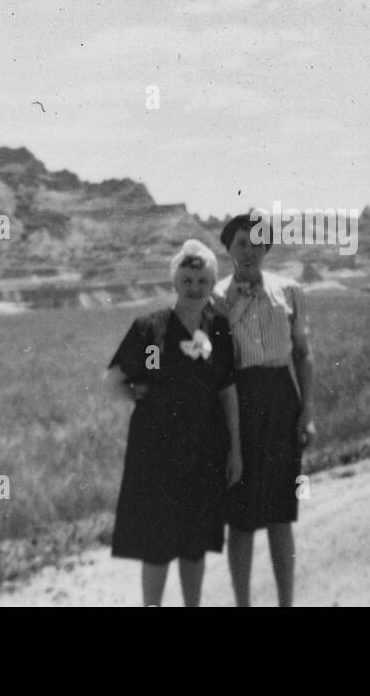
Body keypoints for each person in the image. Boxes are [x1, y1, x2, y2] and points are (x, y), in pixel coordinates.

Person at [104, 239, 242, 606]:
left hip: (204, 447)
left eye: (202, 281)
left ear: (212, 283)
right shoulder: (152, 331)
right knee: (157, 543)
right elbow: (118, 379)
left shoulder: (218, 329)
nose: (194, 288)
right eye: (187, 280)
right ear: (174, 282)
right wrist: (139, 397)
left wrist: (236, 452)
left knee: (194, 543)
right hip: (157, 452)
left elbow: (227, 389)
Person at [213, 211, 316, 607]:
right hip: (238, 406)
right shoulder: (217, 298)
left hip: (280, 402)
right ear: (228, 249)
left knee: (280, 513)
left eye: (257, 243)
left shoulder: (289, 292)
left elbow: (304, 356)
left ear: (267, 248)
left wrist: (307, 412)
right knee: (240, 519)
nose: (250, 250)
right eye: (241, 243)